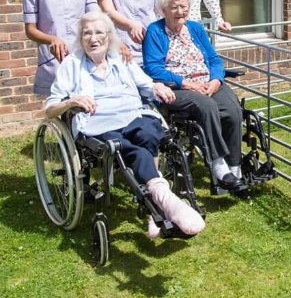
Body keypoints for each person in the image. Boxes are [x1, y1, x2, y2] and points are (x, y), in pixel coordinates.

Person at [45, 12, 205, 239]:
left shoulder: (121, 60)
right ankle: (162, 201)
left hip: (133, 115)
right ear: (80, 39)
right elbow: (50, 108)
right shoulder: (71, 65)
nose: (93, 38)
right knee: (125, 148)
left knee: (150, 134)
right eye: (87, 33)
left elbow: (146, 84)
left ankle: (155, 208)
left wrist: (156, 87)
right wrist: (72, 101)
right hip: (98, 123)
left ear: (109, 37)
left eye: (99, 32)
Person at [142, 0, 246, 192]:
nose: (180, 12)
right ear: (163, 10)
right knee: (206, 106)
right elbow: (153, 68)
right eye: (174, 7)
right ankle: (218, 165)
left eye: (183, 6)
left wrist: (216, 80)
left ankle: (235, 169)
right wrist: (185, 83)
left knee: (233, 109)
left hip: (208, 82)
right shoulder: (155, 31)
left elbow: (214, 59)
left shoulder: (196, 28)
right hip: (177, 88)